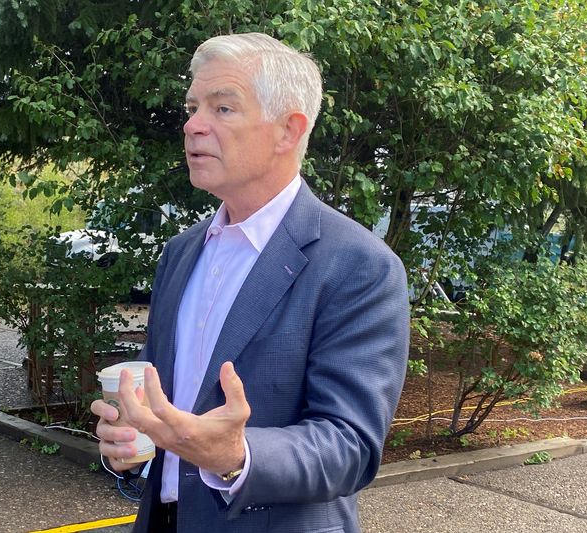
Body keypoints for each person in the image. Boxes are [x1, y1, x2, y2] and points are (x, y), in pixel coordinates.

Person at [91, 32, 409, 533]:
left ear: (288, 130)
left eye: (222, 109)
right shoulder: (180, 253)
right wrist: (132, 447)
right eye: (193, 107)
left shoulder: (358, 265)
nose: (193, 125)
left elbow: (350, 445)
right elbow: (169, 410)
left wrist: (237, 454)